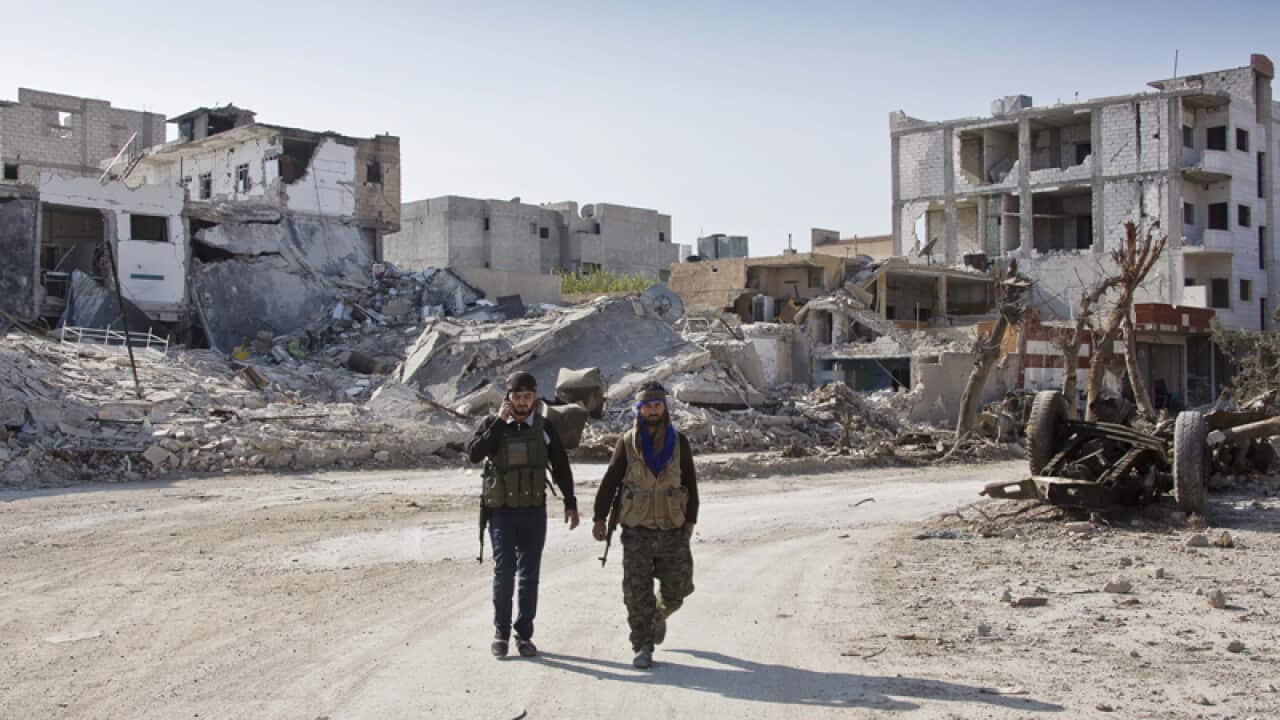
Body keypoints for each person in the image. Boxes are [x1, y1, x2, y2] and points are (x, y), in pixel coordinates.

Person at [469, 371, 579, 659]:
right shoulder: (493, 424)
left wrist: (571, 502)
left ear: (535, 397)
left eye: (527, 397)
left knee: (529, 575)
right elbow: (475, 453)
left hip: (533, 512)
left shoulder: (544, 427)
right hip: (502, 513)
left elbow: (560, 465)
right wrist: (499, 422)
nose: (522, 402)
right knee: (504, 572)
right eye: (517, 397)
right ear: (508, 398)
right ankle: (500, 633)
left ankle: (524, 636)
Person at [592, 381, 698, 669]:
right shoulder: (627, 442)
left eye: (657, 404)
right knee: (636, 593)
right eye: (647, 405)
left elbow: (690, 483)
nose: (653, 409)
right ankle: (642, 644)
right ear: (639, 409)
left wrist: (690, 521)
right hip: (636, 529)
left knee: (679, 589)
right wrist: (600, 518)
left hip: (672, 528)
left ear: (664, 407)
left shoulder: (680, 443)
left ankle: (659, 616)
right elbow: (610, 481)